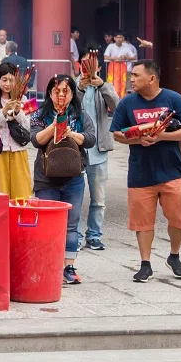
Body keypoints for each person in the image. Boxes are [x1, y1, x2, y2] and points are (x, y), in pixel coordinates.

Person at [110, 60, 181, 283]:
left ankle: (174, 255)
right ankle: (145, 264)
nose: (132, 80)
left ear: (152, 78)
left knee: (179, 217)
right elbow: (116, 134)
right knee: (142, 222)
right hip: (141, 173)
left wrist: (163, 136)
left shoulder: (172, 98)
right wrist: (139, 139)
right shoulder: (127, 103)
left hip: (172, 171)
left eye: (136, 75)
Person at [30, 75, 96, 285]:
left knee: (72, 223)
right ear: (49, 93)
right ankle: (46, 264)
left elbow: (90, 139)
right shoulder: (40, 115)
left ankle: (68, 266)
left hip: (74, 176)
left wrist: (70, 132)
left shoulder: (81, 115)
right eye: (56, 91)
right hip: (46, 177)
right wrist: (54, 127)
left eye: (65, 91)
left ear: (72, 93)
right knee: (46, 223)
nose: (60, 95)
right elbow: (35, 140)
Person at [77, 61, 120, 251]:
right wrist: (79, 88)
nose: (88, 71)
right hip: (77, 151)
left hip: (98, 149)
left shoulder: (104, 86)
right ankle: (75, 235)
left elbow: (117, 107)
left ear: (98, 68)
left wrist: (102, 86)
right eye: (84, 66)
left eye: (92, 66)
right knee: (75, 197)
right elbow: (67, 108)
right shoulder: (72, 85)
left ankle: (94, 235)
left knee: (99, 199)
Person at [0, 63, 32, 200]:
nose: (8, 84)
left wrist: (18, 112)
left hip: (19, 151)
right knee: (0, 192)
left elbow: (30, 126)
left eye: (11, 80)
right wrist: (3, 112)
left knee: (22, 193)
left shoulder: (25, 99)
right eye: (4, 80)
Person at [104, 30, 137, 96]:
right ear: (114, 38)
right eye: (117, 37)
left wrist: (126, 57)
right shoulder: (111, 46)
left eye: (120, 37)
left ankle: (122, 101)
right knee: (113, 84)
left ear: (123, 38)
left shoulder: (126, 47)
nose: (119, 39)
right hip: (113, 67)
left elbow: (134, 57)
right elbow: (106, 57)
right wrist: (116, 58)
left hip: (123, 68)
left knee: (123, 84)